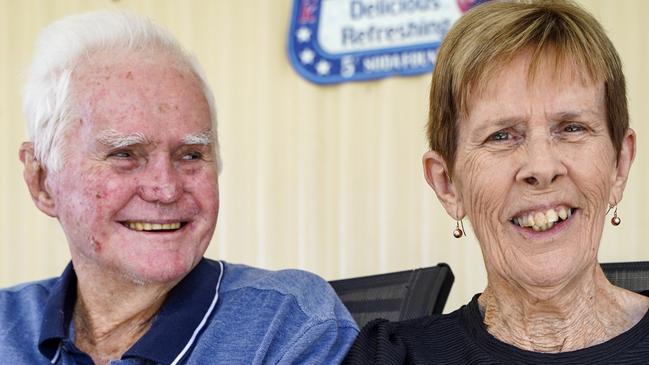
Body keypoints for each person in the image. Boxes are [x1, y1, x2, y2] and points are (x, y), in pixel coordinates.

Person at [0, 11, 358, 364]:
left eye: (190, 155)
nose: (166, 189)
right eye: (125, 153)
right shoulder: (6, 324)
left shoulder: (289, 324)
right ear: (42, 181)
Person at [345, 1, 649, 364]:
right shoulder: (392, 356)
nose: (541, 166)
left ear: (619, 163)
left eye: (571, 128)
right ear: (448, 185)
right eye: (501, 136)